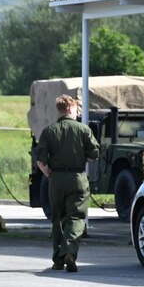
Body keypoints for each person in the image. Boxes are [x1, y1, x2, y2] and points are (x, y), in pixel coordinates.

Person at [33, 93, 98, 273]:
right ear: (70, 108)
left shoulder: (48, 131)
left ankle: (58, 260)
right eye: (77, 109)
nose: (78, 113)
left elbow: (40, 161)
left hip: (56, 180)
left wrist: (49, 175)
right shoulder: (84, 130)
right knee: (75, 218)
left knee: (57, 219)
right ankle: (70, 252)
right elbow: (94, 154)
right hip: (77, 178)